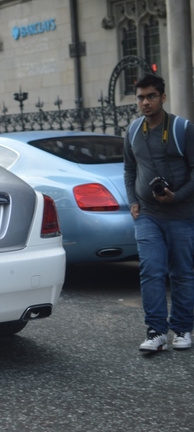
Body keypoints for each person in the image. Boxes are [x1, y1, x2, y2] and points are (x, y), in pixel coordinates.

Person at [123, 73, 194, 352]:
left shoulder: (182, 129)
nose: (145, 102)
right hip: (148, 214)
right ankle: (155, 331)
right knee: (151, 270)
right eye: (140, 97)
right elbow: (129, 169)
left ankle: (183, 328)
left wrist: (177, 196)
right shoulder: (132, 131)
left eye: (151, 96)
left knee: (182, 274)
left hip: (182, 214)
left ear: (162, 97)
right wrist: (132, 200)